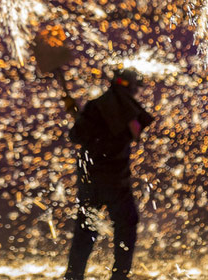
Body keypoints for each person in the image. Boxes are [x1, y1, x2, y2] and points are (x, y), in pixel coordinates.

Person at [62, 68, 155, 280]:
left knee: (86, 229)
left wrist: (79, 116)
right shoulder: (128, 112)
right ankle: (120, 275)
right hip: (115, 182)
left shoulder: (96, 107)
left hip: (91, 179)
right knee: (126, 225)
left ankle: (74, 276)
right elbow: (134, 132)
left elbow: (76, 136)